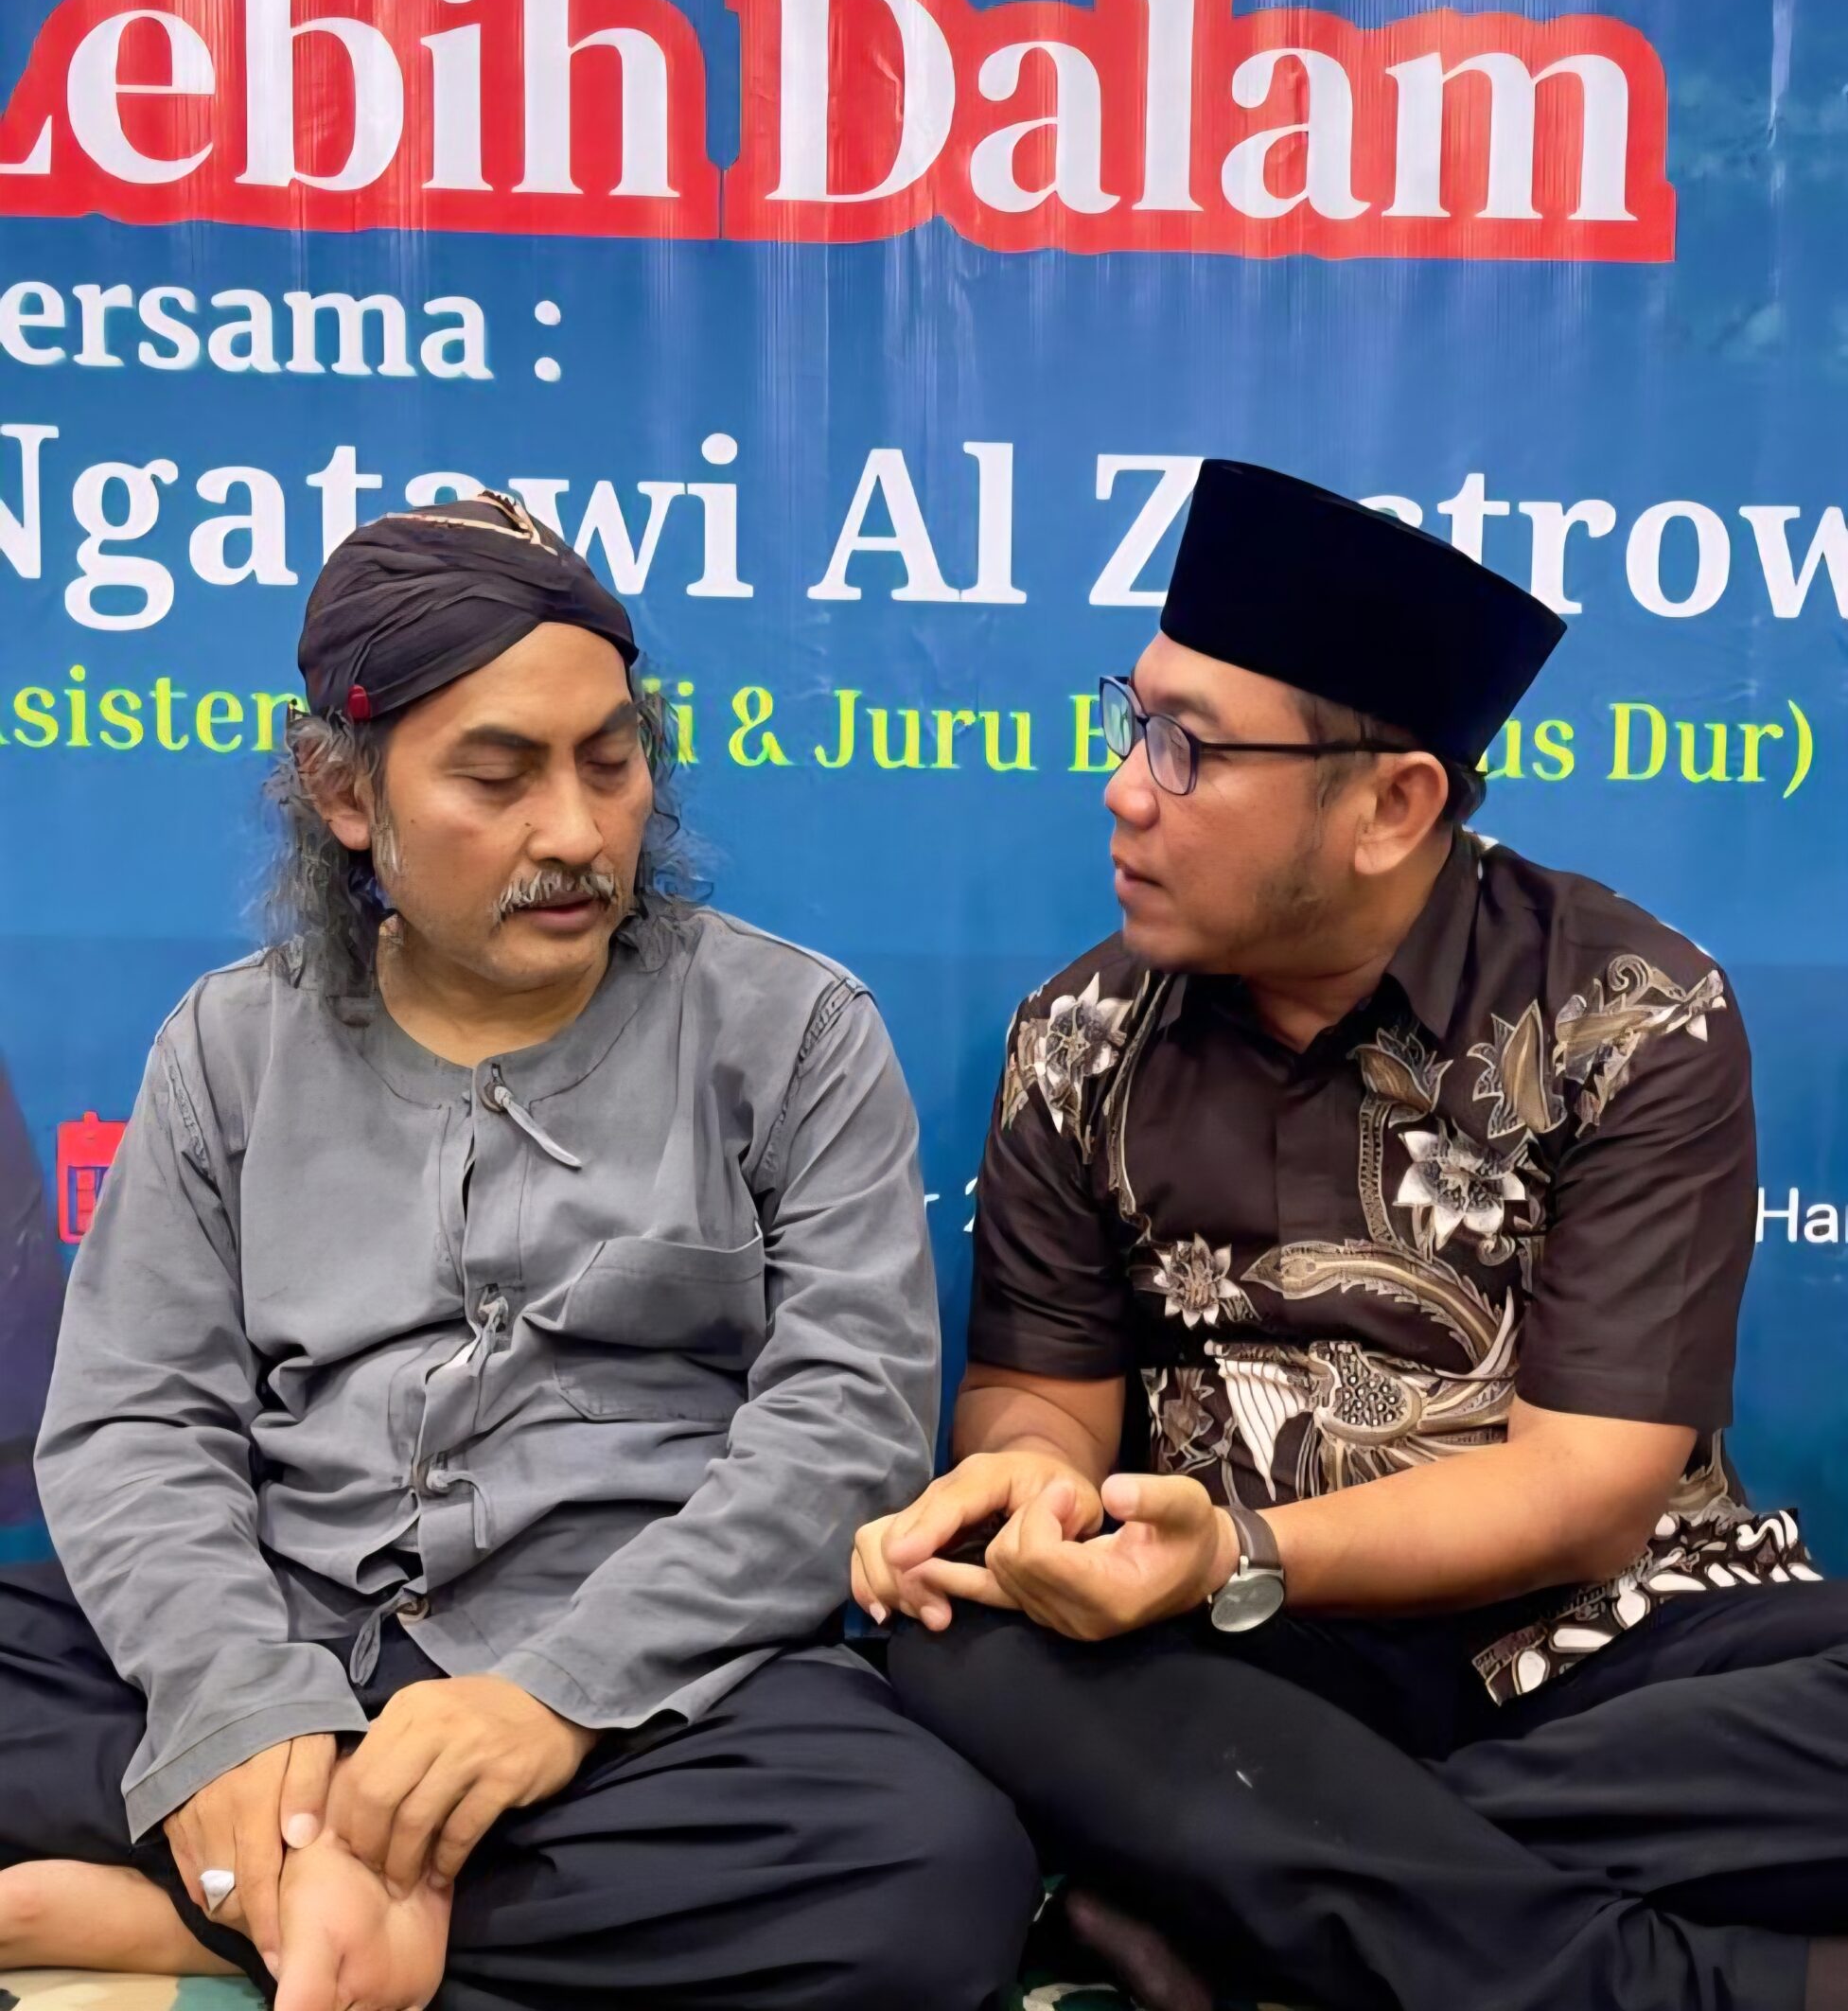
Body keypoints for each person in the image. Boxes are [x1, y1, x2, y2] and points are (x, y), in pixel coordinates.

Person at [0, 491, 1036, 2011]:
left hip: (644, 1698)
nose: (575, 832)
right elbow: (137, 1421)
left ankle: (213, 1913)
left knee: (927, 1876)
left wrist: (553, 1696)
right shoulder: (230, 1045)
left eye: (610, 763)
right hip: (292, 1619)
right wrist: (235, 1705)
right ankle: (344, 1883)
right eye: (498, 778)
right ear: (343, 793)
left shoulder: (791, 1033)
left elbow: (845, 1431)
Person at [857, 459, 1847, 2011]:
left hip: (1606, 1646)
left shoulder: (1629, 1013)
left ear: (1392, 807)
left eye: (1188, 749)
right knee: (950, 1635)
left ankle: (1244, 1906)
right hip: (1235, 1663)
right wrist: (1036, 1490)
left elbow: (1584, 1497)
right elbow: (1038, 1401)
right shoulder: (1078, 1036)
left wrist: (1243, 1552)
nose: (1124, 788)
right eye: (1133, 722)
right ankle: (1683, 1984)